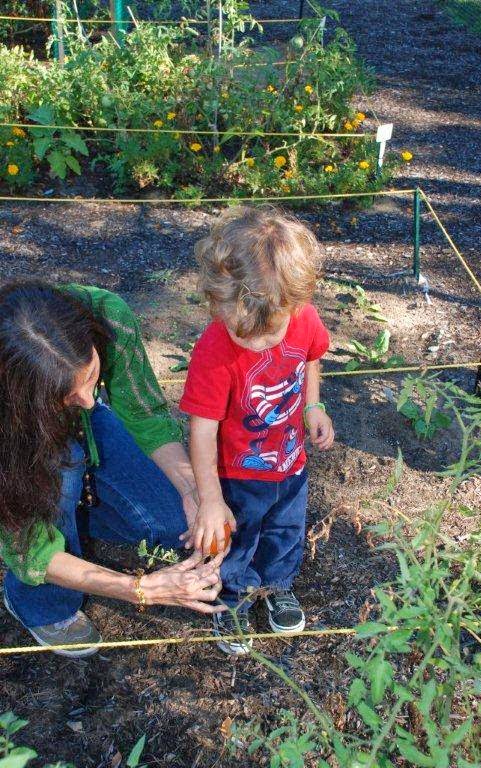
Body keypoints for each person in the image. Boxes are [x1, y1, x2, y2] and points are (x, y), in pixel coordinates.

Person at [0, 281, 223, 658]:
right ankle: (41, 605)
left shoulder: (107, 315)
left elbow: (144, 414)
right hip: (18, 453)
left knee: (172, 520)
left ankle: (71, 516)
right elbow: (31, 550)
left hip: (49, 426)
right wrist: (141, 589)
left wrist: (193, 490)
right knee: (62, 471)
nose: (88, 401)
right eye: (69, 396)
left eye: (91, 380)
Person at [179, 206, 335, 655]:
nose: (258, 343)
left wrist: (313, 405)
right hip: (237, 473)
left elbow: (311, 357)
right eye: (243, 332)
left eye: (270, 332)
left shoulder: (303, 317)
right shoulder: (214, 351)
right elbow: (202, 431)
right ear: (219, 304)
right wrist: (210, 499)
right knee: (237, 538)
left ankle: (277, 585)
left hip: (290, 460)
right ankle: (232, 600)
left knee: (287, 528)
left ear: (296, 303)